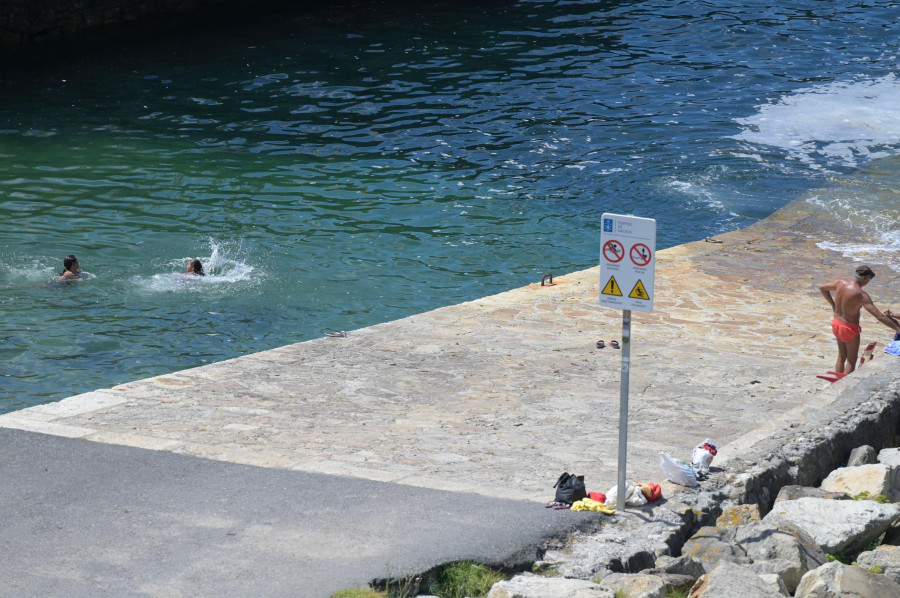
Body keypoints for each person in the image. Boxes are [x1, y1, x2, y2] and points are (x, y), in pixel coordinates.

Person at [819, 265, 900, 374]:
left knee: (841, 356)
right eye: (870, 279)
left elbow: (822, 288)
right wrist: (897, 328)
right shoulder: (862, 295)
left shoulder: (840, 283)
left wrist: (833, 305)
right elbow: (879, 316)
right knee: (851, 361)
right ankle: (843, 385)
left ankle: (836, 381)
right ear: (866, 278)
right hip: (849, 328)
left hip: (836, 323)